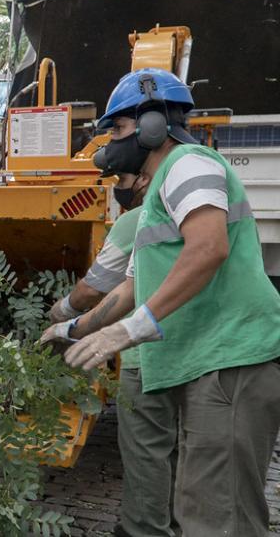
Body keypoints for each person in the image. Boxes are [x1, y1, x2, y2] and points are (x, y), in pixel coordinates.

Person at [46, 68, 280, 536]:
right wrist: (71, 329)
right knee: (199, 509)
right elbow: (129, 288)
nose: (111, 142)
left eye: (118, 129)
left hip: (230, 362)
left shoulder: (189, 164)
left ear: (153, 123)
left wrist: (134, 328)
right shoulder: (156, 198)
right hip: (209, 367)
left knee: (220, 520)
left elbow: (209, 247)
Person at [44, 179, 181, 536]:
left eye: (122, 177)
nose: (119, 183)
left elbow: (94, 289)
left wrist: (61, 315)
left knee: (147, 451)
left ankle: (143, 528)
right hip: (193, 351)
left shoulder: (136, 218)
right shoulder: (195, 212)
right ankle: (175, 520)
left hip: (148, 354)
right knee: (178, 447)